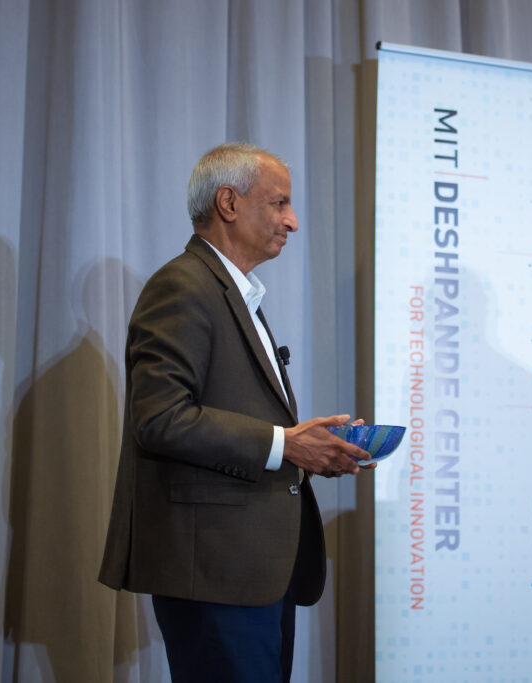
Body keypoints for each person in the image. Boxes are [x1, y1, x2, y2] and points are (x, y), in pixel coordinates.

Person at [99, 142, 372, 682]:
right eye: (279, 204)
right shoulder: (183, 286)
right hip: (215, 573)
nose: (292, 222)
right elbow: (160, 418)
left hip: (256, 570)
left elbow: (231, 413)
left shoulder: (233, 292)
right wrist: (284, 443)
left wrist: (305, 442)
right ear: (228, 202)